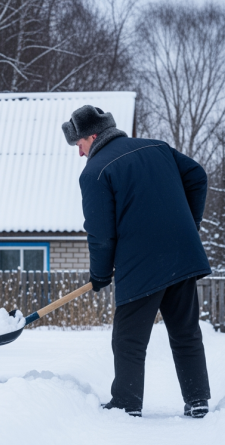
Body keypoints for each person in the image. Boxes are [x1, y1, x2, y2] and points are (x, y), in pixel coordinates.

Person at [62, 105, 212, 418]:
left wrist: (100, 273)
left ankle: (126, 404)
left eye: (79, 145)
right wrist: (188, 225)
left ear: (93, 135)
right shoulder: (157, 147)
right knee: (185, 332)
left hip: (141, 265)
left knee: (128, 339)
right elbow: (197, 176)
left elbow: (101, 234)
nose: (79, 153)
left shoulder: (95, 172)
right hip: (182, 254)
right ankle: (197, 400)